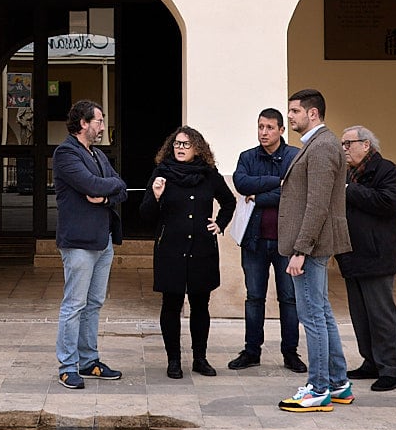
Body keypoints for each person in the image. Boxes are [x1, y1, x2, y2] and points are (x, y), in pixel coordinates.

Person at [277, 88, 354, 413]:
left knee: (312, 317)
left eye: (294, 111)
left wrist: (301, 249)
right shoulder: (318, 145)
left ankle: (318, 387)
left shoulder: (321, 147)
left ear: (312, 113)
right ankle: (338, 383)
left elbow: (318, 204)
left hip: (310, 246)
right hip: (312, 245)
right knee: (321, 313)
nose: (290, 116)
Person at [140, 125, 235, 380]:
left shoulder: (209, 174)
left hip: (201, 249)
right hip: (170, 249)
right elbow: (145, 214)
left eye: (186, 144)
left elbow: (229, 201)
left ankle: (199, 358)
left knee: (200, 305)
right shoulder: (162, 173)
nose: (180, 148)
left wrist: (220, 223)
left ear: (197, 148)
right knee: (170, 305)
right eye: (177, 144)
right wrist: (156, 195)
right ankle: (173, 361)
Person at [51, 99, 129, 389]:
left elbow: (120, 185)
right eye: (98, 121)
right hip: (79, 242)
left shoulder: (97, 154)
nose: (102, 126)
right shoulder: (65, 154)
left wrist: (108, 195)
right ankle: (67, 366)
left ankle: (89, 361)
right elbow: (92, 185)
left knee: (94, 303)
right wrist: (106, 187)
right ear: (83, 123)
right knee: (74, 304)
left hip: (103, 239)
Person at [229, 108, 306, 373]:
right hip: (255, 241)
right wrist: (276, 182)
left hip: (286, 242)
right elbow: (241, 184)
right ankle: (251, 351)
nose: (264, 132)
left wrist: (259, 196)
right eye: (260, 127)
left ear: (282, 130)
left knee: (289, 299)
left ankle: (290, 353)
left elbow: (294, 193)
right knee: (254, 298)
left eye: (270, 127)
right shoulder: (247, 157)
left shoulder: (295, 157)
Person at [337, 125, 396, 392]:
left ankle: (390, 369)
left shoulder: (386, 170)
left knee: (381, 314)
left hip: (377, 255)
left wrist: (347, 190)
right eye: (342, 145)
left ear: (366, 145)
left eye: (348, 144)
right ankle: (371, 361)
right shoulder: (347, 174)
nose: (344, 149)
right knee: (360, 314)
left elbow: (388, 202)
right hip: (352, 254)